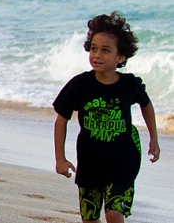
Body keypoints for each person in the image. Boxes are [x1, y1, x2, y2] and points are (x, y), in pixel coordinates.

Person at [53, 12, 160, 223]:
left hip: (123, 161)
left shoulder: (129, 85)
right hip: (90, 162)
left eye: (105, 50)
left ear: (121, 57)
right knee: (90, 218)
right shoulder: (80, 85)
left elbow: (146, 105)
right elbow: (61, 120)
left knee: (113, 213)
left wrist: (154, 138)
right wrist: (60, 158)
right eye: (93, 48)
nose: (97, 55)